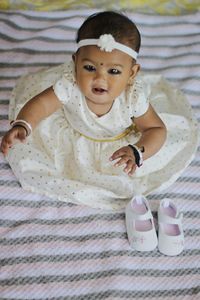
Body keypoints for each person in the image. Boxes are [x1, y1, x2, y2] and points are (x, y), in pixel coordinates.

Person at [0, 11, 198, 211]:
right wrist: (23, 123)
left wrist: (138, 151)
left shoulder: (132, 98)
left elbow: (156, 129)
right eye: (89, 67)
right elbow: (43, 104)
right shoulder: (70, 85)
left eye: (114, 71)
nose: (100, 79)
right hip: (75, 135)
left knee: (131, 176)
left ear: (132, 73)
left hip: (119, 144)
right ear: (75, 62)